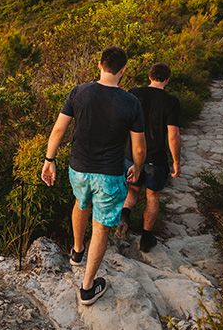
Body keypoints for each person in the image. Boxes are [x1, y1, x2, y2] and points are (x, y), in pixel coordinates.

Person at [42, 46, 146, 305]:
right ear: (123, 70)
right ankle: (87, 288)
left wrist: (49, 160)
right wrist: (138, 167)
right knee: (100, 227)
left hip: (78, 168)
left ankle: (77, 252)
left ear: (99, 64)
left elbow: (58, 130)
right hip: (109, 174)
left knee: (80, 203)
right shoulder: (131, 102)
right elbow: (140, 148)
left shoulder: (79, 92)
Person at [120, 62, 182, 252]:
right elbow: (173, 136)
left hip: (131, 155)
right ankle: (146, 240)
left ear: (149, 76)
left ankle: (124, 219)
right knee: (152, 197)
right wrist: (176, 162)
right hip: (156, 159)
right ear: (167, 80)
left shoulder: (133, 93)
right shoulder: (171, 101)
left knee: (132, 191)